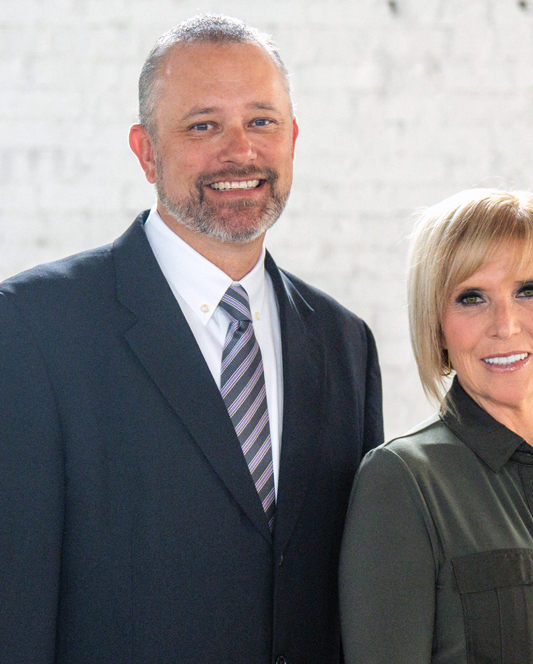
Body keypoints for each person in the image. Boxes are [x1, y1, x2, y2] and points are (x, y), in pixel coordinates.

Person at [0, 15, 383, 664]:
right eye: (203, 126)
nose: (240, 151)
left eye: (261, 121)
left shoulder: (345, 345)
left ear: (292, 139)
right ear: (146, 150)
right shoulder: (34, 330)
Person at [339, 189, 533, 663]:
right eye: (471, 298)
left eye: (528, 290)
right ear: (437, 326)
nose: (505, 325)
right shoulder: (402, 481)